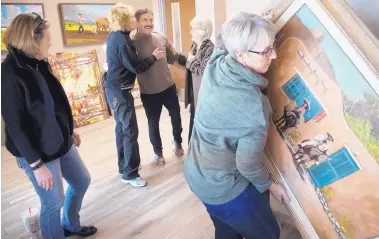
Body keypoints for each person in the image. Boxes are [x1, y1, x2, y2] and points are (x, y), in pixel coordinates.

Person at [184, 12, 290, 239]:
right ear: (241, 55)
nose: (275, 54)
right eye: (266, 51)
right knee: (268, 233)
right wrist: (270, 185)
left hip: (197, 174)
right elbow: (248, 166)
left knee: (225, 230)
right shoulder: (254, 110)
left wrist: (254, 22)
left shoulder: (217, 61)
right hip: (225, 190)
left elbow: (224, 38)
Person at [1, 13, 97, 239]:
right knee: (53, 202)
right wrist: (36, 165)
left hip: (58, 140)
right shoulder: (10, 74)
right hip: (37, 152)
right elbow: (15, 126)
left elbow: (55, 102)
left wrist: (69, 128)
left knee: (82, 181)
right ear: (32, 40)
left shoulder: (37, 63)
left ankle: (70, 224)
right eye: (47, 39)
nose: (51, 43)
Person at [104, 3, 165, 187]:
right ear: (123, 20)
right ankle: (130, 174)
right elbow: (136, 66)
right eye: (132, 18)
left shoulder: (115, 36)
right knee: (130, 130)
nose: (135, 21)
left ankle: (123, 167)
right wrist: (153, 57)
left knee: (121, 129)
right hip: (120, 92)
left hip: (113, 89)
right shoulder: (123, 41)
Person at [131, 8, 185, 164]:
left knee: (176, 116)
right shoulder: (131, 41)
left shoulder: (160, 37)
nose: (149, 23)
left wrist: (191, 69)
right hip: (148, 92)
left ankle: (178, 143)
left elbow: (172, 58)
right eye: (145, 20)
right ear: (137, 22)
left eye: (151, 20)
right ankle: (158, 153)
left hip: (168, 87)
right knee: (153, 123)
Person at [177, 16, 214, 142]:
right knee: (193, 122)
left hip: (202, 93)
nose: (190, 32)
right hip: (194, 91)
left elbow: (203, 71)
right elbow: (189, 63)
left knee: (199, 123)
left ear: (202, 31)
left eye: (193, 29)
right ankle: (193, 149)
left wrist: (190, 61)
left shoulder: (209, 48)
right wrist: (176, 56)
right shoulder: (195, 46)